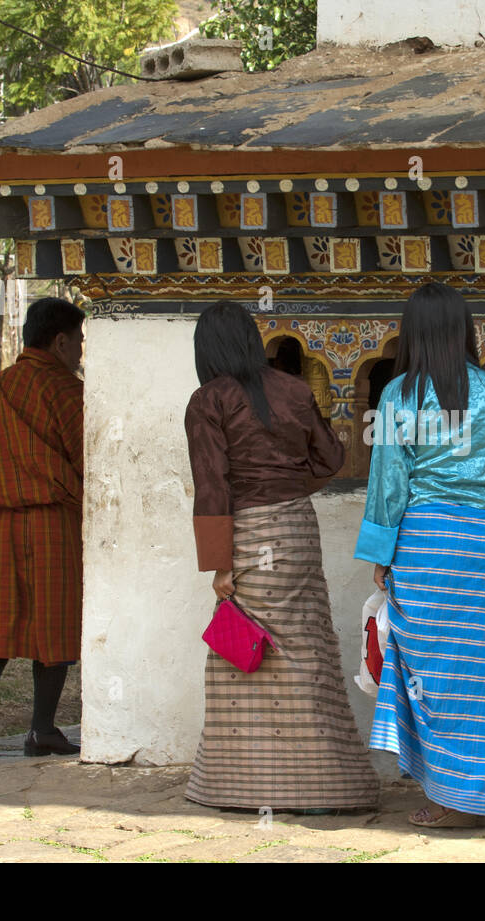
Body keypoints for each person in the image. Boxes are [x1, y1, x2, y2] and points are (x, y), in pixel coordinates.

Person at [354, 281, 485, 828]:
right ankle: (473, 782)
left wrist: (380, 552)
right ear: (465, 330)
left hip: (425, 547)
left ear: (411, 332)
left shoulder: (397, 395)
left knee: (429, 675)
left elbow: (388, 483)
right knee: (476, 671)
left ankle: (453, 798)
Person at [183, 301, 380, 813]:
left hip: (248, 536)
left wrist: (219, 563)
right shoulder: (293, 388)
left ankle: (243, 787)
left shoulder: (208, 400)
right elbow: (331, 458)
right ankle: (329, 787)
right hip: (296, 528)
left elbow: (212, 485)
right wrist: (291, 488)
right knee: (306, 651)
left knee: (242, 655)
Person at [0, 297, 85, 757]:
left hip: (2, 526)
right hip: (54, 522)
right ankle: (41, 728)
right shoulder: (65, 390)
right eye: (79, 343)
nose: (81, 354)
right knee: (55, 622)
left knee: (0, 616)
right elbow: (92, 459)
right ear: (61, 341)